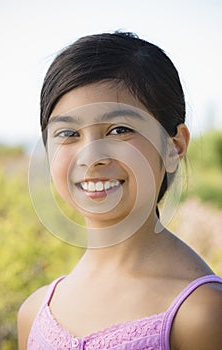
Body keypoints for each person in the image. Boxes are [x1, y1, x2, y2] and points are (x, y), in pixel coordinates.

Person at [18, 32, 222, 350]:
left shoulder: (202, 314)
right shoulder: (34, 313)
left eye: (120, 130)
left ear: (174, 147)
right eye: (68, 133)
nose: (91, 156)